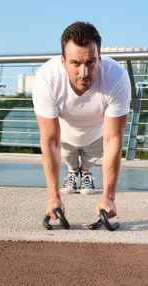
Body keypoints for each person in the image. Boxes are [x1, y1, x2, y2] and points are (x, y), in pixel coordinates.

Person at [32, 21, 131, 221]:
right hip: (65, 135)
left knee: (87, 163)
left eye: (90, 63)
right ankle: (74, 171)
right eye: (75, 63)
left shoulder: (117, 77)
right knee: (70, 159)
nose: (84, 73)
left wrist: (109, 198)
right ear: (63, 60)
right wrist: (54, 198)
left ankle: (85, 172)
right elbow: (50, 141)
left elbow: (113, 140)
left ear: (99, 58)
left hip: (97, 135)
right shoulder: (46, 78)